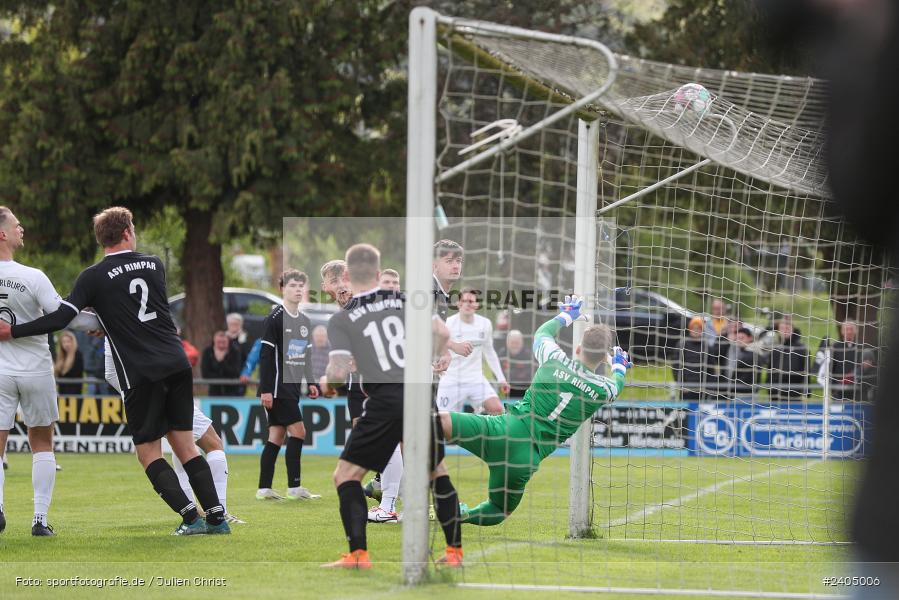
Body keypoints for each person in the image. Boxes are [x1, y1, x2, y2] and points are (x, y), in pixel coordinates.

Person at [0, 206, 229, 535]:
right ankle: (218, 518)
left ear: (101, 238)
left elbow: (61, 317)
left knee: (148, 453)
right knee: (186, 446)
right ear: (127, 233)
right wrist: (107, 317)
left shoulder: (92, 277)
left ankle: (191, 517)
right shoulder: (155, 264)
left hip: (140, 372)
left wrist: (14, 331)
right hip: (176, 364)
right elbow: (135, 307)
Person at [323, 243, 461, 569]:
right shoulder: (405, 299)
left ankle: (358, 555)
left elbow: (339, 373)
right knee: (436, 471)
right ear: (377, 271)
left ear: (346, 273)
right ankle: (454, 554)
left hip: (385, 399)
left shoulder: (343, 318)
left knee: (346, 476)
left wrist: (329, 385)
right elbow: (441, 330)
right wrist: (435, 355)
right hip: (420, 393)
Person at [439, 295, 630, 525]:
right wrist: (619, 366)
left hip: (503, 429)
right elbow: (617, 384)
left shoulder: (554, 358)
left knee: (437, 422)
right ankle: (462, 515)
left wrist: (565, 316)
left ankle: (404, 480)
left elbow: (542, 334)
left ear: (578, 348)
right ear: (602, 360)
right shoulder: (603, 388)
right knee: (498, 509)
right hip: (526, 459)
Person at [104, 338, 244, 524]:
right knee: (210, 443)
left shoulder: (109, 319)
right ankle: (219, 511)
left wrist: (129, 391)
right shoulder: (148, 314)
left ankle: (193, 514)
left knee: (162, 453)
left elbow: (110, 374)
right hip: (168, 388)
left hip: (136, 396)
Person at [0, 207, 63, 535]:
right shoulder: (33, 276)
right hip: (36, 367)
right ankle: (39, 520)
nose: (21, 229)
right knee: (42, 441)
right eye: (16, 225)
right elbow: (59, 315)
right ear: (3, 234)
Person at [256, 269, 321, 502]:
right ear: (282, 288)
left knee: (276, 435)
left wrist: (311, 382)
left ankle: (264, 488)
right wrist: (265, 390)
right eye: (292, 285)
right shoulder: (274, 319)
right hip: (276, 387)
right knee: (299, 432)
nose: (297, 290)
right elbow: (266, 356)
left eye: (301, 286)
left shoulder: (305, 321)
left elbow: (306, 356)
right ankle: (294, 487)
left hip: (291, 388)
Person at [437, 288, 508, 415]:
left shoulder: (485, 324)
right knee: (442, 420)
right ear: (458, 304)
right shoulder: (448, 323)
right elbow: (437, 345)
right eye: (463, 301)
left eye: (471, 301)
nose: (467, 304)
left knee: (497, 409)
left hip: (475, 379)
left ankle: (483, 431)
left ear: (477, 304)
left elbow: (490, 352)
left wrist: (501, 378)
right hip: (451, 379)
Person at [714, 326, 767, 400]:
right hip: (737, 392)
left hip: (745, 393)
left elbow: (745, 377)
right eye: (737, 338)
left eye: (742, 338)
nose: (739, 341)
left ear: (750, 338)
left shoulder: (752, 354)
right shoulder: (738, 352)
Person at [672, 316, 715, 401]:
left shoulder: (707, 347)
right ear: (690, 329)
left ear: (702, 330)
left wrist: (707, 386)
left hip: (702, 389)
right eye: (693, 328)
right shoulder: (682, 345)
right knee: (686, 412)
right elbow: (676, 367)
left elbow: (711, 369)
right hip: (686, 389)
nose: (696, 331)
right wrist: (681, 385)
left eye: (698, 328)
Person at [768, 316, 808, 402]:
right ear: (778, 331)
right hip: (775, 393)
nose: (785, 330)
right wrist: (769, 389)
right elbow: (770, 370)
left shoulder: (801, 348)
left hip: (794, 392)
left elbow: (806, 371)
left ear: (793, 329)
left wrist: (807, 392)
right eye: (782, 328)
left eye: (787, 328)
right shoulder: (775, 349)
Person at [201, 331, 243, 397]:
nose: (221, 345)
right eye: (219, 342)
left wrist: (222, 361)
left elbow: (236, 372)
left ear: (228, 342)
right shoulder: (208, 352)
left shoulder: (235, 351)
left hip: (232, 392)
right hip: (214, 392)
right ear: (214, 341)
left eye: (223, 342)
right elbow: (205, 374)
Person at [500, 329, 533, 399]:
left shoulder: (528, 355)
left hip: (524, 389)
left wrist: (511, 373)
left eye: (517, 343)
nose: (514, 345)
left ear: (522, 343)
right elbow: (498, 374)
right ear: (507, 342)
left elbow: (529, 375)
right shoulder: (502, 354)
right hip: (506, 388)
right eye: (512, 342)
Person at [54, 331, 84, 396]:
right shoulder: (60, 356)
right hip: (62, 392)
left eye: (68, 341)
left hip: (74, 394)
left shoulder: (78, 355)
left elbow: (76, 373)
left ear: (73, 342)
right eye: (64, 342)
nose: (66, 344)